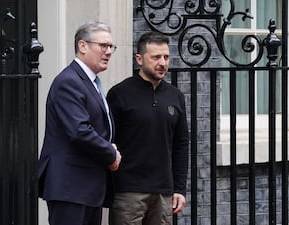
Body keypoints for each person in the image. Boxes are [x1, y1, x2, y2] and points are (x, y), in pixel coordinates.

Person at [38, 21, 121, 225]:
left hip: (87, 187)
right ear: (82, 46)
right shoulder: (69, 81)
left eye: (111, 46)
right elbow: (80, 130)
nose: (109, 51)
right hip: (70, 187)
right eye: (103, 45)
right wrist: (111, 153)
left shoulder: (89, 82)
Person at [106, 31, 189, 225]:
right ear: (139, 59)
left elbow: (181, 145)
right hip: (128, 192)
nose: (162, 63)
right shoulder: (119, 94)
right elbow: (107, 141)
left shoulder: (176, 96)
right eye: (156, 57)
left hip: (164, 192)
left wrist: (179, 189)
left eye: (166, 57)